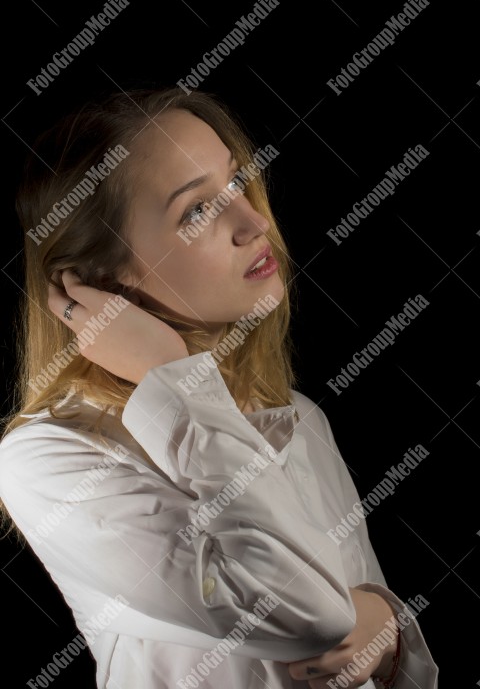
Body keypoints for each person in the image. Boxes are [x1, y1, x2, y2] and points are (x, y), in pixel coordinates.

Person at [0, 86, 438, 689]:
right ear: (99, 282)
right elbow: (311, 615)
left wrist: (389, 631)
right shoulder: (46, 459)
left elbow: (360, 654)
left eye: (236, 182)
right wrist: (170, 379)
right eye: (197, 211)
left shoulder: (297, 418)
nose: (254, 221)